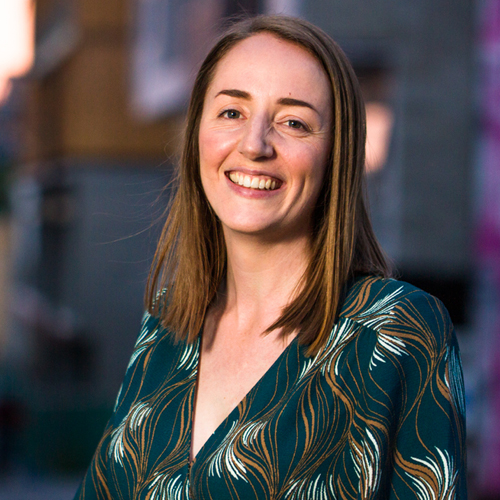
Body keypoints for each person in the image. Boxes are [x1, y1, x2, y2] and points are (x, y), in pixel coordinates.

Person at [75, 15, 467, 500]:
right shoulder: (169, 317)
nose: (255, 145)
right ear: (198, 132)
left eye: (294, 122)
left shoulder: (398, 330)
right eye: (232, 113)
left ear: (335, 156)